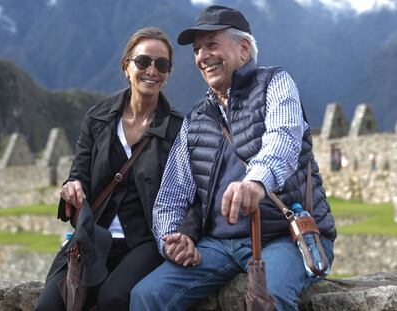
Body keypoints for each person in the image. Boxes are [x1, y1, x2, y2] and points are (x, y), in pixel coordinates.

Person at [130, 5, 336, 311]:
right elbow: (172, 196)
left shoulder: (276, 84)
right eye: (198, 49)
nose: (201, 56)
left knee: (270, 298)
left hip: (283, 236)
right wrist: (172, 238)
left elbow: (284, 140)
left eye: (212, 45)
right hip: (218, 245)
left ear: (243, 49)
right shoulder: (195, 120)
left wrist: (255, 182)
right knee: (146, 296)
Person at [35, 27, 183, 311]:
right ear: (126, 66)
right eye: (143, 62)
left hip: (144, 240)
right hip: (94, 235)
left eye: (161, 64)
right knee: (50, 304)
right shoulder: (98, 117)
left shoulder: (177, 128)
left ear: (167, 73)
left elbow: (187, 192)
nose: (152, 70)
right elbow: (78, 173)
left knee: (113, 298)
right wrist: (72, 186)